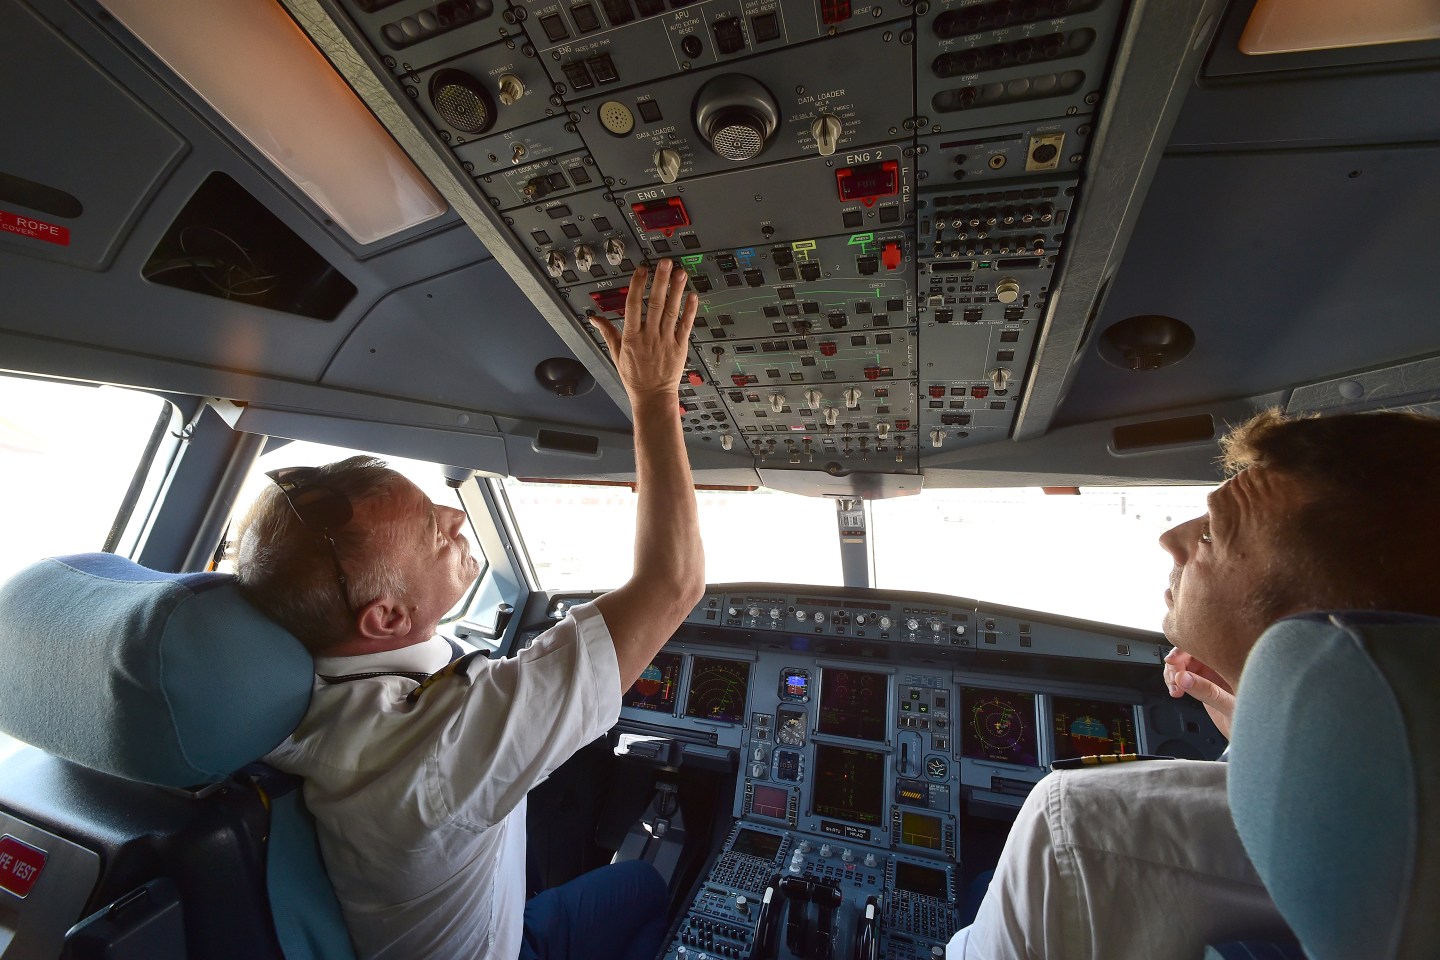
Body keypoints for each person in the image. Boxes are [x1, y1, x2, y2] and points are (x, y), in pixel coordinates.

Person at [234, 260, 704, 960]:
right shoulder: (439, 750)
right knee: (656, 893)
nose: (458, 514)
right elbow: (673, 584)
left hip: (488, 922)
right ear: (386, 619)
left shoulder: (302, 690)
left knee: (630, 883)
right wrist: (654, 393)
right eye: (432, 529)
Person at [948, 408, 1440, 959]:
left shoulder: (1084, 829)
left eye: (1211, 534)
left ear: (1316, 623)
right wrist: (1260, 740)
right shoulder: (1387, 787)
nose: (1170, 539)